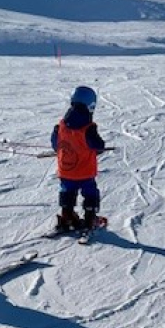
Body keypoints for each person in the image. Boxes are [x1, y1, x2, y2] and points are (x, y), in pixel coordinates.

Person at [51, 86, 106, 233]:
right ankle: (89, 219)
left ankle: (66, 216)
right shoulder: (88, 128)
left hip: (66, 170)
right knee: (90, 192)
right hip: (85, 172)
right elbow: (98, 146)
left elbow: (56, 144)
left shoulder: (61, 125)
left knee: (67, 191)